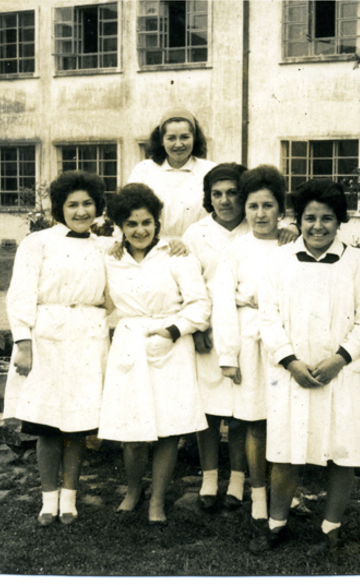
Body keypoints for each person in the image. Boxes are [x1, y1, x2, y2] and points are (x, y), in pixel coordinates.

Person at [252, 179, 360, 555]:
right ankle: (276, 524)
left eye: (327, 218)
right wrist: (290, 361)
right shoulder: (278, 261)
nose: (318, 226)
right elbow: (268, 319)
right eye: (310, 218)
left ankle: (331, 528)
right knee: (285, 448)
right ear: (299, 219)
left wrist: (339, 359)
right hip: (291, 373)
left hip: (340, 374)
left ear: (339, 221)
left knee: (343, 448)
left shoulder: (359, 262)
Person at [183, 164, 299, 513]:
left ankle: (262, 486)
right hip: (228, 334)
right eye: (216, 194)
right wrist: (216, 341)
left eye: (233, 193)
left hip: (272, 338)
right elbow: (210, 294)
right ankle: (230, 487)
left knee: (262, 415)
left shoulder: (282, 241)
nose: (225, 200)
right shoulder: (214, 241)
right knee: (228, 413)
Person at [97, 183, 211, 525]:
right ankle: (134, 490)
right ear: (120, 227)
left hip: (171, 344)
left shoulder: (176, 254)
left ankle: (157, 500)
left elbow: (200, 305)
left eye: (146, 222)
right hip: (130, 344)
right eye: (131, 224)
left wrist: (174, 331)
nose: (140, 230)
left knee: (168, 429)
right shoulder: (110, 258)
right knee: (131, 432)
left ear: (157, 221)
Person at [2, 171, 110, 526]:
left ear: (97, 206)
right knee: (47, 425)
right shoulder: (38, 243)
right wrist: (23, 343)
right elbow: (20, 295)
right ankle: (48, 499)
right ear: (59, 208)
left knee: (76, 426)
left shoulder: (106, 246)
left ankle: (70, 498)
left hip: (88, 340)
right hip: (47, 338)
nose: (80, 211)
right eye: (72, 204)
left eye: (87, 203)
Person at [211, 165, 287, 528]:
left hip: (285, 341)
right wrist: (228, 354)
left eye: (268, 206)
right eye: (253, 206)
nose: (260, 214)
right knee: (254, 421)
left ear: (280, 209)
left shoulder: (294, 244)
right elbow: (223, 303)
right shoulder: (235, 249)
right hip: (248, 338)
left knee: (284, 419)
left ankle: (288, 492)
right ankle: (258, 496)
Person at [127, 107, 215, 239]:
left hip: (197, 245)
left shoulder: (210, 171)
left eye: (185, 137)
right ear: (161, 140)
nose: (178, 144)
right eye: (171, 138)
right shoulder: (143, 170)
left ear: (194, 139)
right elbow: (126, 211)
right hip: (151, 246)